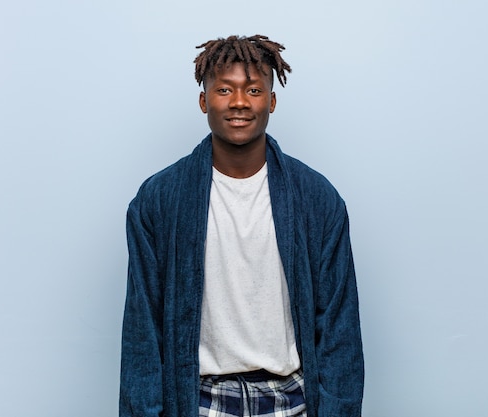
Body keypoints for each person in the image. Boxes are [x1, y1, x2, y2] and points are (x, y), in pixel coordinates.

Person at [120, 34, 364, 417]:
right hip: (197, 402)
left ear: (272, 100)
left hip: (293, 401)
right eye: (223, 89)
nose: (238, 102)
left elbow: (339, 330)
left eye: (253, 89)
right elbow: (142, 333)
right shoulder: (159, 200)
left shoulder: (316, 199)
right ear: (204, 101)